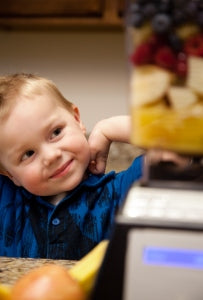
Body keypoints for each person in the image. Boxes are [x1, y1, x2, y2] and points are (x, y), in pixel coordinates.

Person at [0, 73, 143, 260]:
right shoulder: (8, 203)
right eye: (28, 154)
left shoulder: (118, 191)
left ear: (77, 119)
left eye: (56, 132)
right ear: (10, 175)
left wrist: (107, 128)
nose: (51, 156)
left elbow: (177, 146)